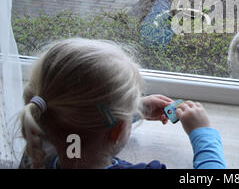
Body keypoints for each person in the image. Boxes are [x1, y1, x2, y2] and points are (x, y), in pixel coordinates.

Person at [18, 38, 226, 169]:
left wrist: (131, 110)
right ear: (117, 131)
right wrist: (202, 133)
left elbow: (77, 122)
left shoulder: (38, 155)